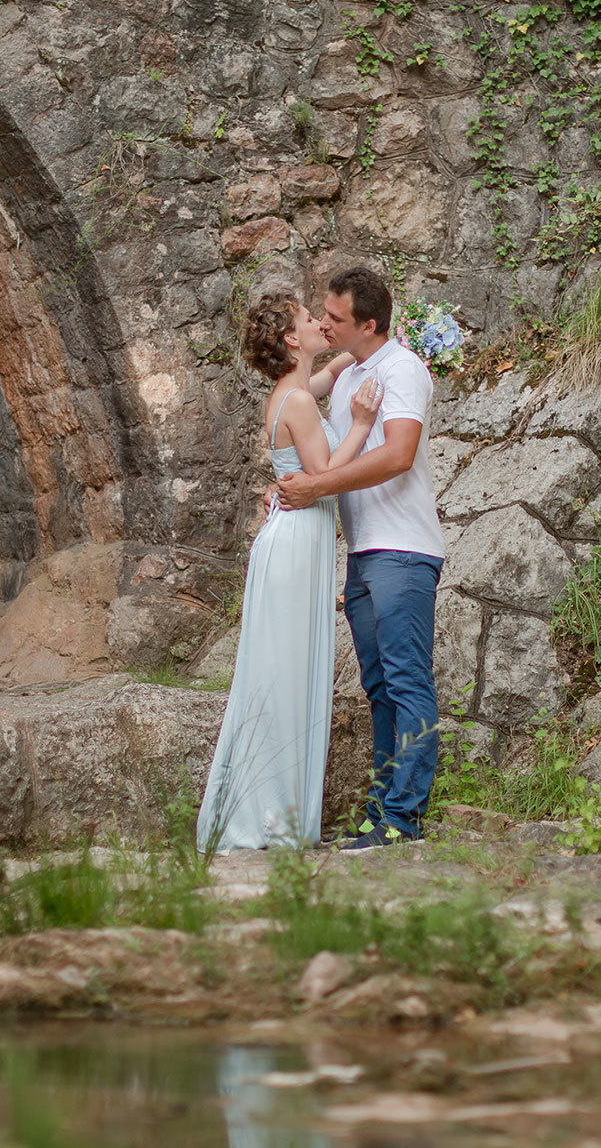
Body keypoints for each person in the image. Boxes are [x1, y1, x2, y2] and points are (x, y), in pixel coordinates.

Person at [195, 293, 382, 852]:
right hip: (296, 544)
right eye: (308, 318)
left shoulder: (294, 390)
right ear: (291, 339)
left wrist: (372, 345)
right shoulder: (297, 402)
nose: (320, 321)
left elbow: (330, 373)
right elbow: (323, 475)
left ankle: (273, 809)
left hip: (293, 540)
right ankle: (269, 817)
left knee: (283, 672)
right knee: (284, 676)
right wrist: (362, 423)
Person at [277, 267, 447, 849]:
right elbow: (298, 395)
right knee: (378, 687)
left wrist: (317, 487)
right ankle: (378, 812)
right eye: (322, 313)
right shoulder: (351, 369)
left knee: (406, 682)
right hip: (363, 550)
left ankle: (404, 818)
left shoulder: (402, 370)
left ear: (369, 324)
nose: (325, 322)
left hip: (403, 549)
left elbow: (399, 455)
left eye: (336, 317)